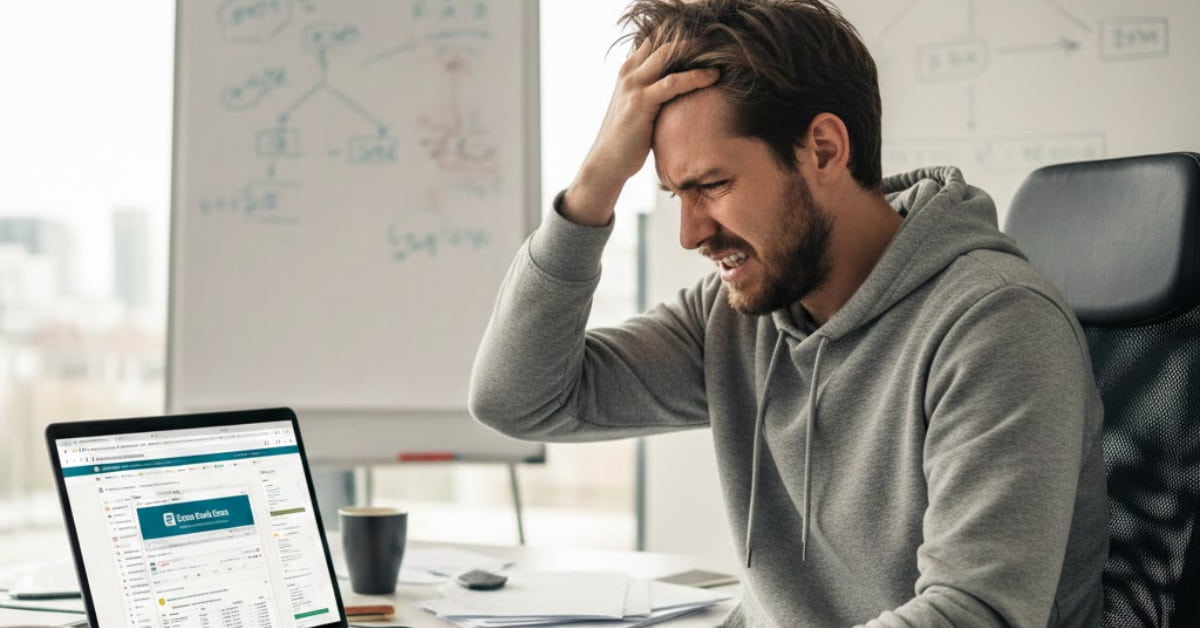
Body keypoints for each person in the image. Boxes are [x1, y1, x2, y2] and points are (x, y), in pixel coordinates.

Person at [469, 0, 1107, 625]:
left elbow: (974, 613)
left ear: (824, 149)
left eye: (712, 186)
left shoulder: (996, 324)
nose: (690, 235)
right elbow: (518, 399)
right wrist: (595, 183)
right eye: (675, 194)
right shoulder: (734, 317)